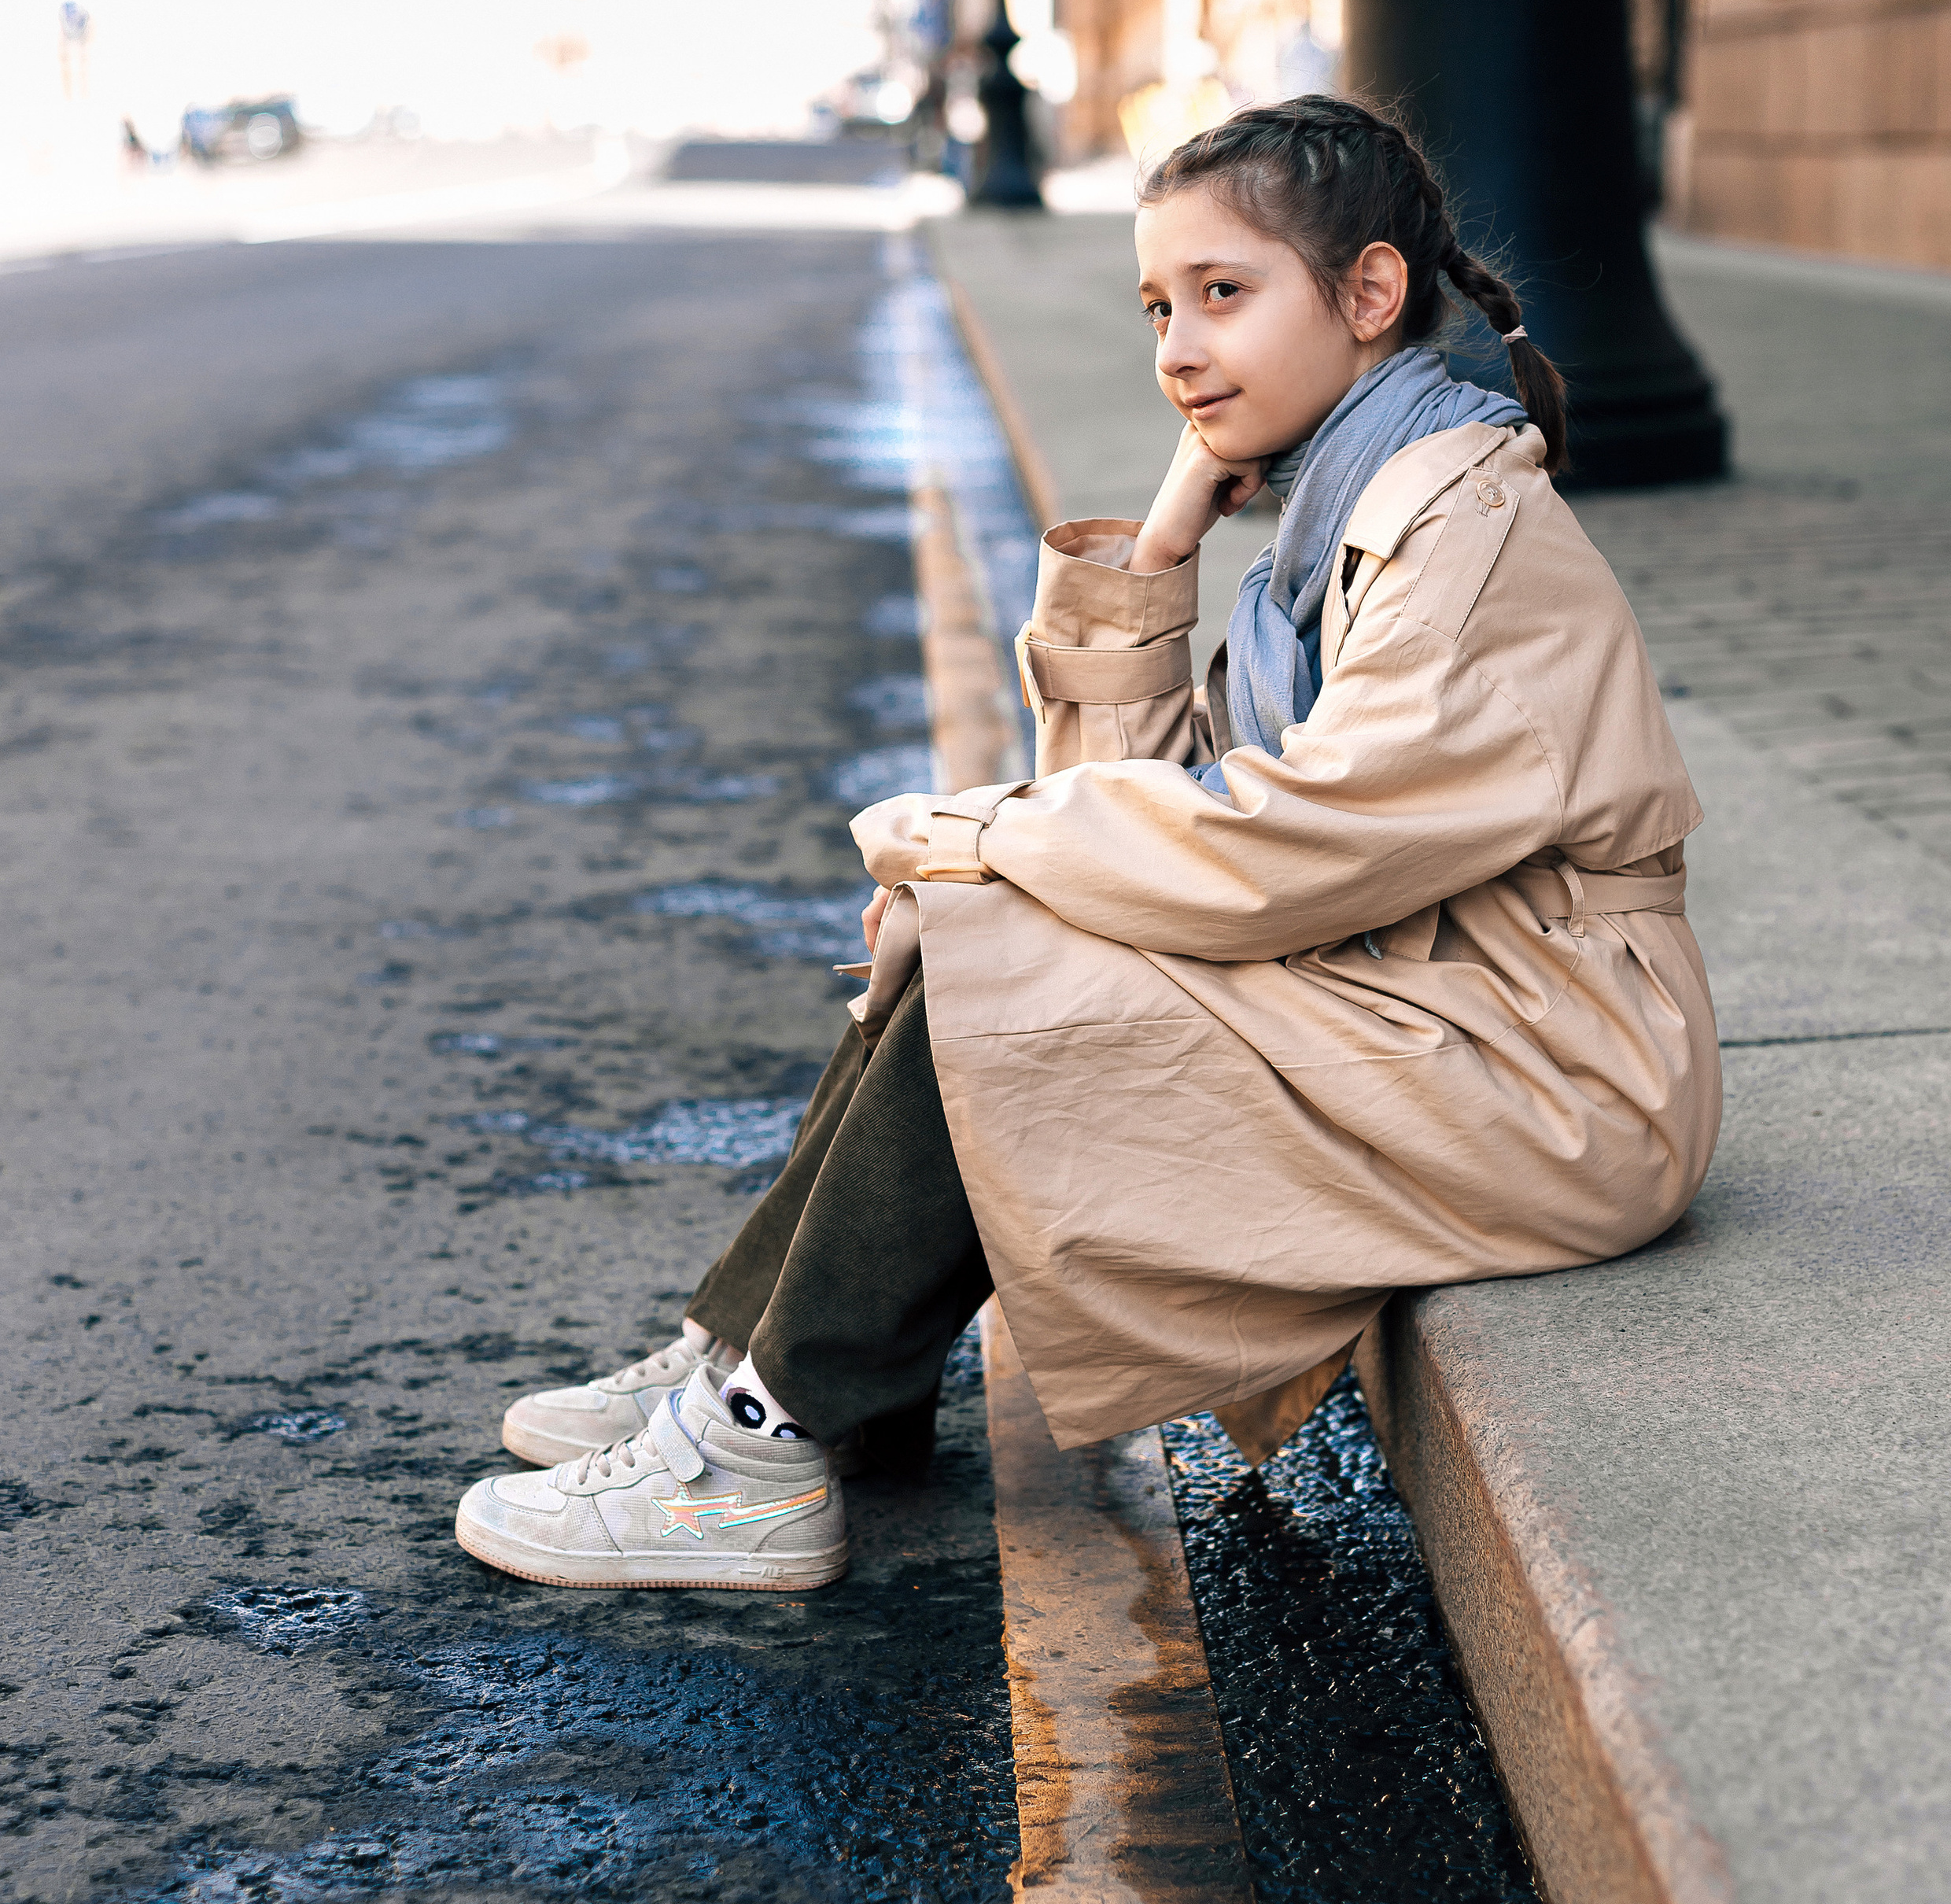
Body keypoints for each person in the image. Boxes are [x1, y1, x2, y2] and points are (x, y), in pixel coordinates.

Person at [455, 96, 1720, 1594]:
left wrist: (968, 841)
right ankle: (765, 1372)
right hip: (1448, 1006)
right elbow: (1154, 810)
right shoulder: (1354, 506)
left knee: (995, 925)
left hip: (1558, 1068)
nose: (1178, 348)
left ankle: (752, 1452)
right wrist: (1166, 546)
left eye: (1224, 296)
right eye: (1158, 308)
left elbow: (1282, 852)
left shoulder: (1464, 535)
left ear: (1371, 296)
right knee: (986, 917)